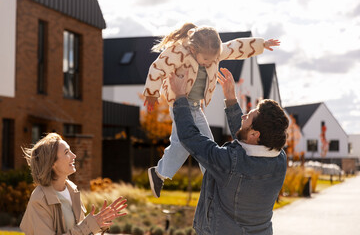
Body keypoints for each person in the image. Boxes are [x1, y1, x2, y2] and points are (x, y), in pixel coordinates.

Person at [144, 22, 280, 198]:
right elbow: (158, 67)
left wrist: (261, 44)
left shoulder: (214, 52)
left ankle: (208, 181)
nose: (210, 62)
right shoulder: (178, 52)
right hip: (180, 105)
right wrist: (151, 93)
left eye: (213, 59)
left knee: (205, 144)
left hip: (195, 107)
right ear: (193, 50)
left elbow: (236, 47)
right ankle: (161, 174)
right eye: (206, 60)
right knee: (185, 144)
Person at [168, 68, 289, 235]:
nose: (243, 116)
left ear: (255, 134)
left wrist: (180, 96)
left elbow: (190, 137)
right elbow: (246, 142)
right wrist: (231, 100)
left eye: (248, 116)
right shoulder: (279, 159)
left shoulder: (229, 163)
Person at [20, 133, 128, 235]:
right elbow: (83, 229)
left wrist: (100, 222)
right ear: (52, 163)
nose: (74, 155)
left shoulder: (72, 189)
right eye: (67, 152)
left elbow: (80, 230)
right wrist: (90, 225)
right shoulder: (39, 199)